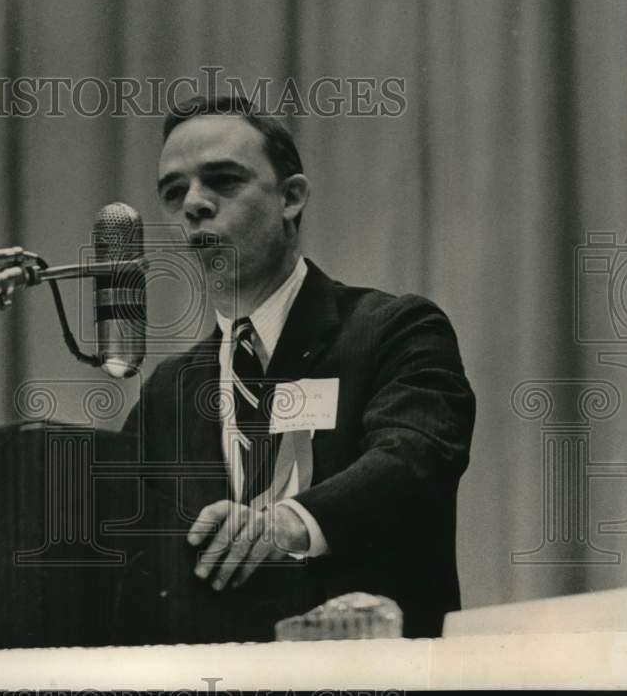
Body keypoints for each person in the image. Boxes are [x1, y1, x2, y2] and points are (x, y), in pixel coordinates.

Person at [115, 94, 475, 643]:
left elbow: (413, 460)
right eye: (173, 192)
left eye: (223, 181)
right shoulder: (170, 390)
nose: (193, 204)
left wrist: (283, 524)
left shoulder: (394, 330)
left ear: (292, 197)